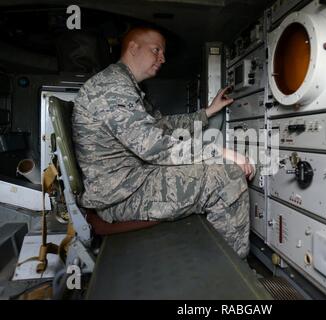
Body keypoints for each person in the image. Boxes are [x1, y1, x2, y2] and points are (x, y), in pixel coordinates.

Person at [72, 27, 254, 258]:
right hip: (121, 196)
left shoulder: (123, 84)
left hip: (130, 182)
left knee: (211, 169)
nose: (163, 58)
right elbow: (153, 146)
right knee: (226, 176)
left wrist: (207, 113)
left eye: (163, 52)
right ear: (133, 48)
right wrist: (220, 153)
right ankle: (234, 278)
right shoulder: (112, 87)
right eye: (156, 50)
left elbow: (162, 126)